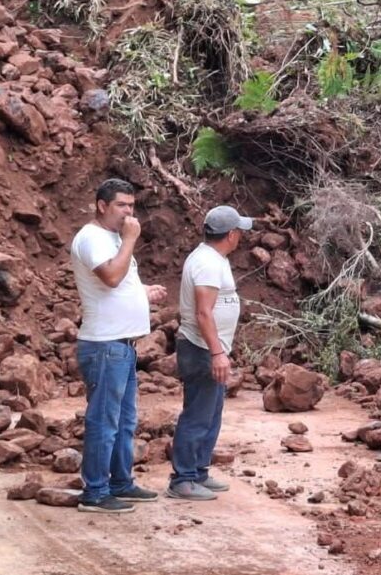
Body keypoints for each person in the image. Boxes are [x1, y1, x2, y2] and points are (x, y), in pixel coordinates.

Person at [71, 178, 168, 514]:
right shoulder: (93, 238)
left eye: (132, 206)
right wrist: (129, 240)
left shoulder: (112, 238)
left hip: (123, 346)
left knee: (125, 421)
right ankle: (95, 492)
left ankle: (119, 482)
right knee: (104, 420)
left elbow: (118, 285)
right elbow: (110, 276)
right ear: (102, 205)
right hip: (104, 345)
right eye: (122, 205)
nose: (129, 212)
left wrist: (143, 293)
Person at [168, 205, 254, 501]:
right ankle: (183, 479)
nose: (241, 236)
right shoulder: (207, 263)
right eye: (239, 231)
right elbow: (204, 313)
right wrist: (217, 353)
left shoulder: (213, 259)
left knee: (211, 411)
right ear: (231, 234)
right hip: (201, 348)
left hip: (209, 348)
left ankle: (199, 470)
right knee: (198, 413)